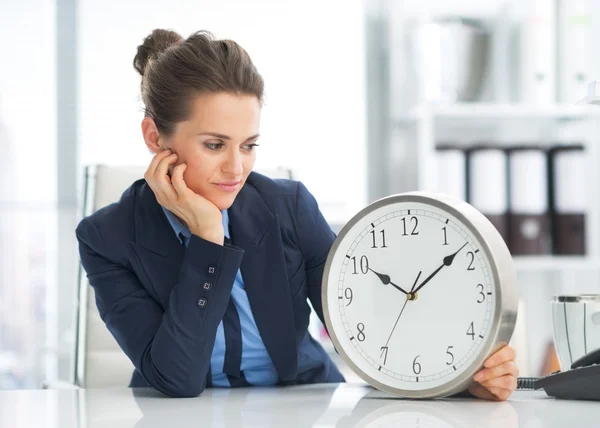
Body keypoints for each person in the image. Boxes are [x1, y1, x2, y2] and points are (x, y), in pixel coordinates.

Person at [75, 29, 518, 400]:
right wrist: (209, 240)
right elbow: (177, 379)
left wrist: (461, 382)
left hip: (304, 405)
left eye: (249, 145)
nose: (236, 168)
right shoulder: (106, 238)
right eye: (215, 145)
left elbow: (377, 336)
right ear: (155, 137)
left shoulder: (287, 206)